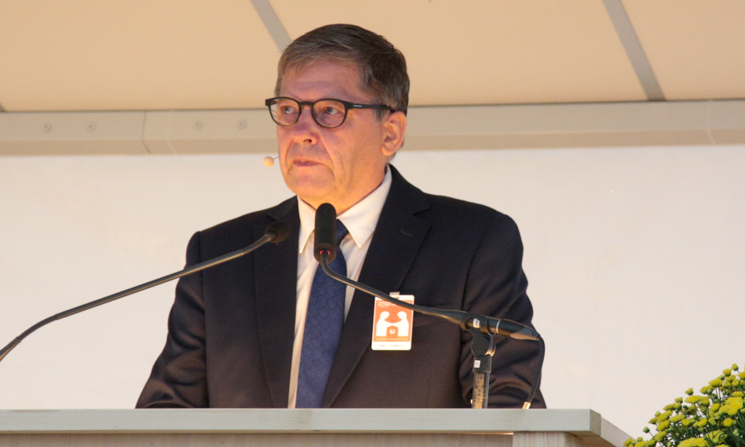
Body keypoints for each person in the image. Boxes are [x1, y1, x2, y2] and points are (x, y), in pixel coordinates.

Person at [136, 24, 545, 409]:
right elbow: (165, 415)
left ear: (390, 133)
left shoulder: (470, 243)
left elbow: (508, 408)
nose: (301, 131)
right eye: (289, 109)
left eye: (330, 111)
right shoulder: (223, 254)